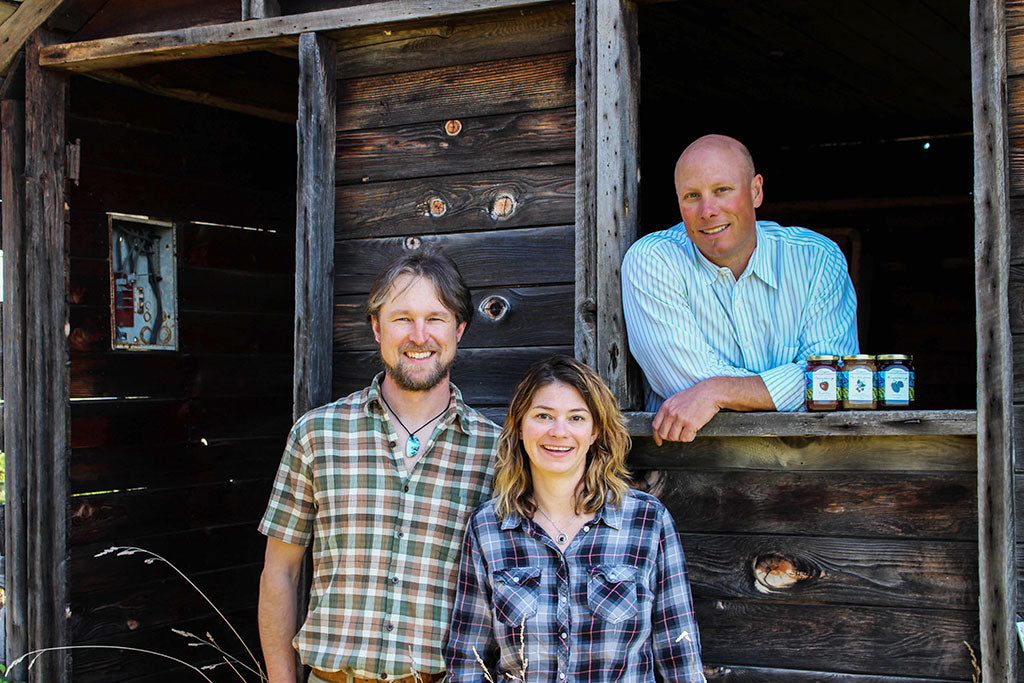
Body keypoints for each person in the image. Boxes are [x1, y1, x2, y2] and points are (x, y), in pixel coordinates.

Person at [258, 248, 500, 683]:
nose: (419, 335)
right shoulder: (317, 434)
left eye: (436, 318)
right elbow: (280, 570)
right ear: (376, 327)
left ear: (459, 329)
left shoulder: (496, 451)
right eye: (402, 317)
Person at [445, 356, 705, 682]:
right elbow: (469, 660)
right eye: (543, 416)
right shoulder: (489, 528)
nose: (559, 432)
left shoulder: (647, 523)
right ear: (520, 426)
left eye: (576, 418)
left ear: (595, 431)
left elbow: (679, 655)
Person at [621, 134, 858, 444]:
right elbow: (683, 382)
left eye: (722, 190)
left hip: (807, 463)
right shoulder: (652, 260)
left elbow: (835, 380)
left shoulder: (817, 259)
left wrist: (717, 392)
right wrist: (788, 386)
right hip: (691, 468)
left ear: (755, 190)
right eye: (692, 196)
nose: (707, 210)